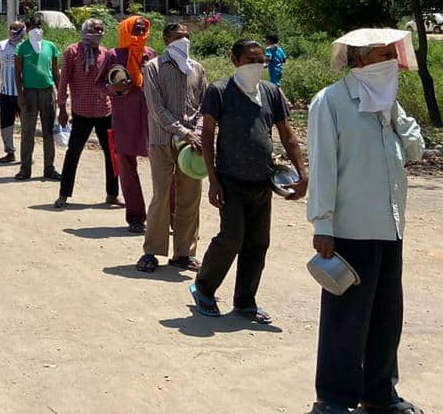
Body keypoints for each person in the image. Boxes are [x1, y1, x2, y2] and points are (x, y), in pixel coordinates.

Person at [306, 29, 426, 414]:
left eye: (392, 54)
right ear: (359, 60)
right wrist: (322, 224)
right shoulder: (332, 102)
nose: (390, 61)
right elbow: (323, 165)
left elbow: (415, 151)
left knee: (386, 315)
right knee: (346, 318)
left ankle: (379, 392)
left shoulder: (388, 103)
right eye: (381, 55)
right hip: (349, 229)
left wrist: (393, 115)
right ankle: (334, 398)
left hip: (390, 226)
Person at [190, 39, 308, 323]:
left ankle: (245, 301)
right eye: (249, 60)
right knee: (231, 238)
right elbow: (207, 137)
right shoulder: (219, 91)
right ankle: (204, 288)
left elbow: (287, 136)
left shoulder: (270, 92)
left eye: (260, 61)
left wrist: (303, 173)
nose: (256, 66)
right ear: (234, 60)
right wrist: (213, 180)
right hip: (231, 180)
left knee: (258, 243)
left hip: (262, 181)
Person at [136, 22, 206, 274]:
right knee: (161, 195)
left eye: (187, 37)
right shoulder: (153, 68)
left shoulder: (196, 68)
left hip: (192, 146)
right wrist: (184, 132)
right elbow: (156, 109)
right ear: (166, 40)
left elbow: (203, 106)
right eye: (178, 37)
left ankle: (183, 253)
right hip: (163, 141)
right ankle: (152, 251)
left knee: (190, 197)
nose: (184, 41)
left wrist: (197, 133)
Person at [54, 18, 120, 208]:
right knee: (73, 153)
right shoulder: (73, 52)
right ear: (85, 31)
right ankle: (64, 194)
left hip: (104, 112)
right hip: (81, 111)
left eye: (101, 29)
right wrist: (62, 108)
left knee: (112, 154)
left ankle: (112, 194)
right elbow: (64, 80)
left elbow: (111, 81)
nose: (99, 33)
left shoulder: (106, 53)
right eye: (95, 29)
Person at [100, 16, 157, 233]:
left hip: (151, 118)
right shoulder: (115, 55)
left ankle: (168, 217)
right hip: (124, 118)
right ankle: (135, 217)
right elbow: (101, 82)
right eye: (135, 29)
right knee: (126, 168)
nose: (139, 34)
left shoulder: (150, 54)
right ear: (125, 30)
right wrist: (114, 88)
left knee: (163, 168)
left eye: (142, 29)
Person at [14, 14, 61, 181]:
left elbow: (55, 71)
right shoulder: (22, 48)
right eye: (32, 28)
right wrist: (20, 95)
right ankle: (25, 169)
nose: (36, 31)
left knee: (49, 131)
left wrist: (61, 93)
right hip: (29, 93)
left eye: (38, 27)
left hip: (48, 92)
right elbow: (17, 73)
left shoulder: (50, 46)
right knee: (28, 131)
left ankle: (49, 168)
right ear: (27, 30)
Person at [0, 21, 24, 163]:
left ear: (23, 30)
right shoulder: (0, 46)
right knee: (6, 124)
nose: (12, 31)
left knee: (26, 125)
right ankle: (10, 152)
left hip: (24, 94)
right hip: (6, 93)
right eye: (11, 28)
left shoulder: (27, 47)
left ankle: (26, 154)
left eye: (16, 29)